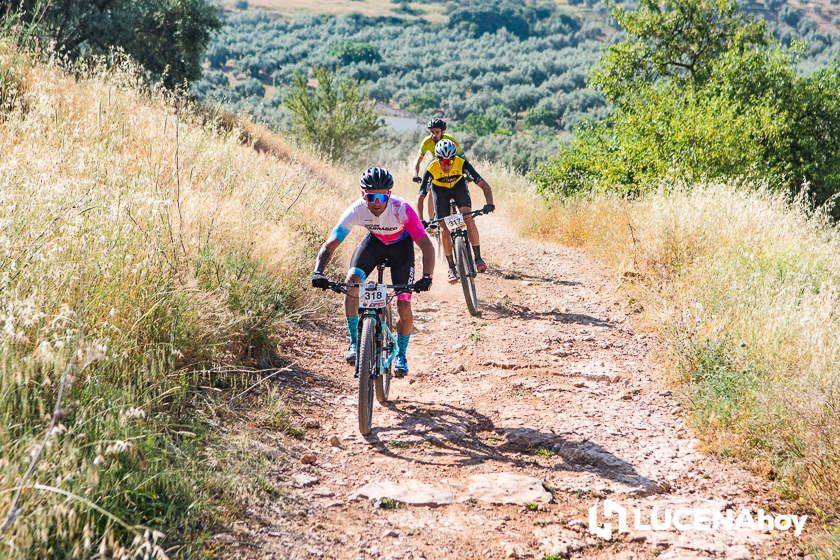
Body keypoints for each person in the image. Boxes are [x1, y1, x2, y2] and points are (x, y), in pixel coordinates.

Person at [311, 167, 435, 377]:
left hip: (401, 249)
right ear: (362, 195)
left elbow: (426, 245)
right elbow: (330, 244)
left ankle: (401, 355)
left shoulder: (401, 209)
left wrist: (427, 277)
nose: (376, 202)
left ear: (389, 194)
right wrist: (318, 272)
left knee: (403, 303)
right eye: (371, 197)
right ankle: (354, 342)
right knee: (352, 281)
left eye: (381, 197)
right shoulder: (357, 210)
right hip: (374, 244)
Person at [416, 139, 495, 285]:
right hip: (440, 192)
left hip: (459, 187)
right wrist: (421, 219)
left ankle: (477, 258)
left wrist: (489, 203)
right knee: (444, 229)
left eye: (450, 162)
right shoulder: (432, 168)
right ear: (437, 159)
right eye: (444, 162)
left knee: (468, 219)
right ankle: (452, 268)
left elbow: (484, 184)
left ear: (454, 159)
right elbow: (421, 197)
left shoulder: (461, 163)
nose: (447, 165)